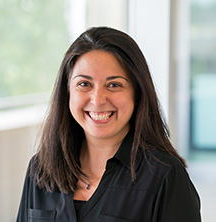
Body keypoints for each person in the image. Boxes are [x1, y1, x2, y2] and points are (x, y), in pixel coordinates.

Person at [16, 27, 201, 222]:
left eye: (114, 85)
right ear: (67, 92)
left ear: (137, 93)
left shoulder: (165, 176)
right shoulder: (41, 170)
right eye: (84, 84)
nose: (97, 100)